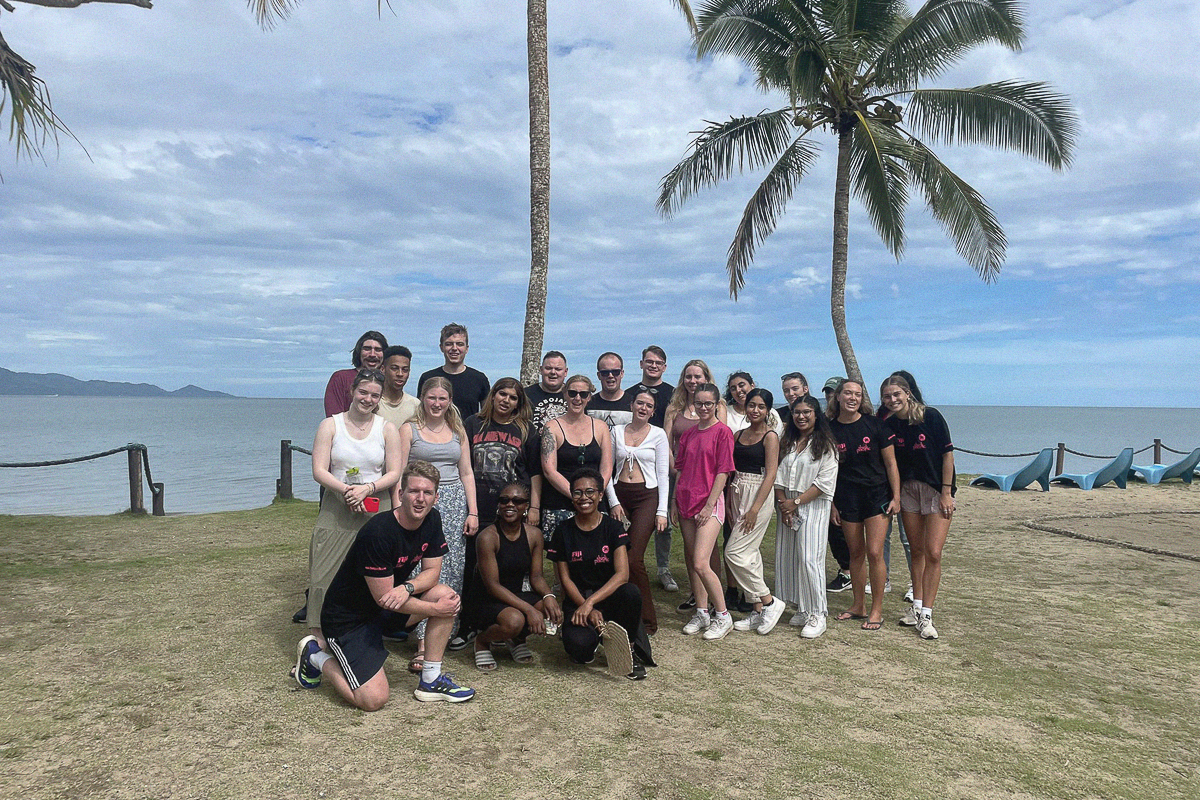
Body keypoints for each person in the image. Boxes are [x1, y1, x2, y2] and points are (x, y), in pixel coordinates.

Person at [292, 461, 475, 707]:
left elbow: (432, 573)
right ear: (400, 494)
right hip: (349, 621)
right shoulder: (378, 532)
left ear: (436, 497)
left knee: (445, 595)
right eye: (413, 491)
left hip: (387, 609)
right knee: (373, 700)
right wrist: (434, 610)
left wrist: (407, 587)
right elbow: (384, 599)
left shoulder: (432, 520)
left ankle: (430, 680)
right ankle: (315, 656)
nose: (420, 499)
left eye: (427, 493)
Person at [306, 368, 401, 645]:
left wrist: (367, 489)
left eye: (374, 395)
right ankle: (318, 635)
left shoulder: (387, 428)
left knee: (373, 575)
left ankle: (365, 632)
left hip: (375, 505)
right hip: (337, 505)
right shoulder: (330, 425)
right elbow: (319, 470)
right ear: (352, 392)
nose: (368, 399)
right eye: (363, 392)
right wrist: (347, 491)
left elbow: (394, 472)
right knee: (324, 572)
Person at [399, 376, 479, 665]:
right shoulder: (409, 430)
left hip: (455, 503)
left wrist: (473, 511)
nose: (437, 403)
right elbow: (398, 472)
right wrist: (400, 508)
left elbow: (467, 472)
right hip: (420, 502)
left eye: (442, 399)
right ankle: (422, 639)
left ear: (450, 401)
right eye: (431, 398)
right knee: (425, 568)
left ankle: (443, 631)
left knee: (452, 568)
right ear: (423, 398)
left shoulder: (457, 430)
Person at [546, 468, 652, 680]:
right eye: (577, 492)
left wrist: (591, 603)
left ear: (601, 495)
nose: (583, 497)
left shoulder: (613, 528)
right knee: (579, 651)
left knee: (631, 592)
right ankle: (594, 638)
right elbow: (564, 578)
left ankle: (627, 647)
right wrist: (584, 606)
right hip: (578, 599)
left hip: (609, 597)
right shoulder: (562, 531)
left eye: (590, 491)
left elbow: (622, 574)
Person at [881, 373, 955, 640]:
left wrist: (946, 493)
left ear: (908, 393)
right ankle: (917, 608)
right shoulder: (888, 424)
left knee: (934, 552)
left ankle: (927, 614)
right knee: (916, 551)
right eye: (887, 397)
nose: (892, 400)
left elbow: (948, 456)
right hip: (908, 491)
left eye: (896, 394)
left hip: (936, 491)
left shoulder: (931, 417)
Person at [827, 379, 901, 631]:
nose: (853, 398)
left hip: (876, 496)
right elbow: (828, 470)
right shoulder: (828, 429)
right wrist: (832, 504)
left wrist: (896, 497)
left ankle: (876, 610)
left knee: (874, 553)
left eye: (858, 394)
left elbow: (891, 464)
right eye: (848, 393)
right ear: (838, 397)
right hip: (846, 498)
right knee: (855, 554)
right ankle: (858, 605)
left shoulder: (876, 425)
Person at [469, 481, 562, 670]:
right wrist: (529, 610)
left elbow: (536, 577)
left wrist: (549, 596)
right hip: (487, 599)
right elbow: (492, 586)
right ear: (498, 505)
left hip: (514, 594)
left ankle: (516, 639)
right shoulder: (487, 537)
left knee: (549, 608)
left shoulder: (534, 535)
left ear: (526, 506)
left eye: (517, 501)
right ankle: (483, 641)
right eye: (504, 500)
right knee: (515, 620)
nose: (510, 505)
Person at [673, 382, 736, 640]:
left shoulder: (723, 432)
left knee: (701, 562)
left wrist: (709, 505)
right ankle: (701, 612)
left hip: (708, 502)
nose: (703, 408)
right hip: (685, 499)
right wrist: (672, 504)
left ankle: (723, 615)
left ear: (716, 404)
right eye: (699, 403)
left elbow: (723, 471)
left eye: (708, 403)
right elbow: (680, 470)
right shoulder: (688, 435)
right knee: (692, 560)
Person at [664, 359, 727, 611]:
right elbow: (667, 442)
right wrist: (676, 471)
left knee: (707, 552)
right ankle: (698, 599)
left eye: (698, 377)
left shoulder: (717, 410)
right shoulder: (674, 409)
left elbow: (722, 455)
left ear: (706, 379)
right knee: (693, 553)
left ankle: (716, 602)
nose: (693, 381)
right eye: (688, 376)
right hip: (683, 482)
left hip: (709, 485)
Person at [606, 387, 670, 635]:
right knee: (615, 556)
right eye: (640, 403)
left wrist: (662, 511)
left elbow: (663, 475)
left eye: (649, 406)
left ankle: (647, 620)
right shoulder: (616, 432)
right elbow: (607, 470)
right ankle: (617, 613)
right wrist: (613, 502)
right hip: (620, 493)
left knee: (634, 558)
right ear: (631, 405)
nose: (643, 408)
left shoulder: (659, 435)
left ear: (653, 412)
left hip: (647, 496)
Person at [774, 395, 839, 638]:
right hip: (787, 504)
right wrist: (783, 504)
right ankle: (802, 606)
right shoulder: (789, 441)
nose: (801, 416)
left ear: (816, 414)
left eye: (806, 412)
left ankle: (818, 612)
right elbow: (778, 476)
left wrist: (796, 503)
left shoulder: (826, 445)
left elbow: (824, 483)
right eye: (797, 412)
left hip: (812, 505)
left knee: (810, 558)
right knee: (790, 557)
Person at [725, 388, 785, 634]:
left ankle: (769, 601)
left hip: (758, 492)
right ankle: (757, 609)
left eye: (761, 406)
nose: (755, 410)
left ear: (767, 410)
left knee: (733, 553)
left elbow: (771, 473)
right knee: (749, 553)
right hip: (737, 489)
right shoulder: (738, 434)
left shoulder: (770, 437)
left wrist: (755, 508)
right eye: (752, 405)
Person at [625, 345, 676, 591]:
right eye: (649, 361)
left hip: (663, 460)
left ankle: (664, 569)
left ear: (664, 367)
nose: (653, 365)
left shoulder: (673, 394)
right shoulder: (630, 393)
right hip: (634, 462)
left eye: (658, 362)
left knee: (662, 518)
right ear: (641, 364)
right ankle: (628, 565)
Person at [539, 375, 613, 539]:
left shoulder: (600, 427)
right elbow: (549, 470)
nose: (577, 398)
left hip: (594, 504)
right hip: (560, 504)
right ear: (565, 394)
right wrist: (576, 496)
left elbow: (607, 467)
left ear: (589, 397)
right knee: (562, 560)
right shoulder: (552, 427)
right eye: (572, 393)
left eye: (583, 394)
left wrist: (594, 494)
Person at [417, 323, 490, 419]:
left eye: (459, 344)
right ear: (441, 347)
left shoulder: (479, 379)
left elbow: (487, 415)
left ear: (466, 348)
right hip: (433, 432)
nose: (454, 348)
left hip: (468, 433)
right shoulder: (428, 378)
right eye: (449, 344)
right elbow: (420, 412)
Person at [822, 375, 853, 593]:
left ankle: (850, 573)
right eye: (827, 393)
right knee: (835, 531)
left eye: (834, 392)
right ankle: (846, 571)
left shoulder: (858, 420)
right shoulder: (826, 424)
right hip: (832, 487)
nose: (831, 397)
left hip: (855, 486)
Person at [324, 331, 387, 417]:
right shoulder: (340, 378)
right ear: (359, 352)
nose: (372, 354)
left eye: (378, 350)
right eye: (367, 349)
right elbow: (334, 419)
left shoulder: (388, 381)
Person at [375, 345, 420, 429]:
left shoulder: (415, 405)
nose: (400, 374)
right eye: (394, 368)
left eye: (405, 370)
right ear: (383, 369)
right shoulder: (372, 402)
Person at [587, 352, 633, 429]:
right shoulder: (588, 403)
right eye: (605, 373)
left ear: (622, 374)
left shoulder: (633, 404)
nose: (610, 376)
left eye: (615, 372)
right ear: (599, 375)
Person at [525, 350, 569, 430]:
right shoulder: (525, 395)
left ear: (565, 372)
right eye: (548, 368)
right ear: (541, 370)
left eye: (558, 369)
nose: (553, 372)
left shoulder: (575, 395)